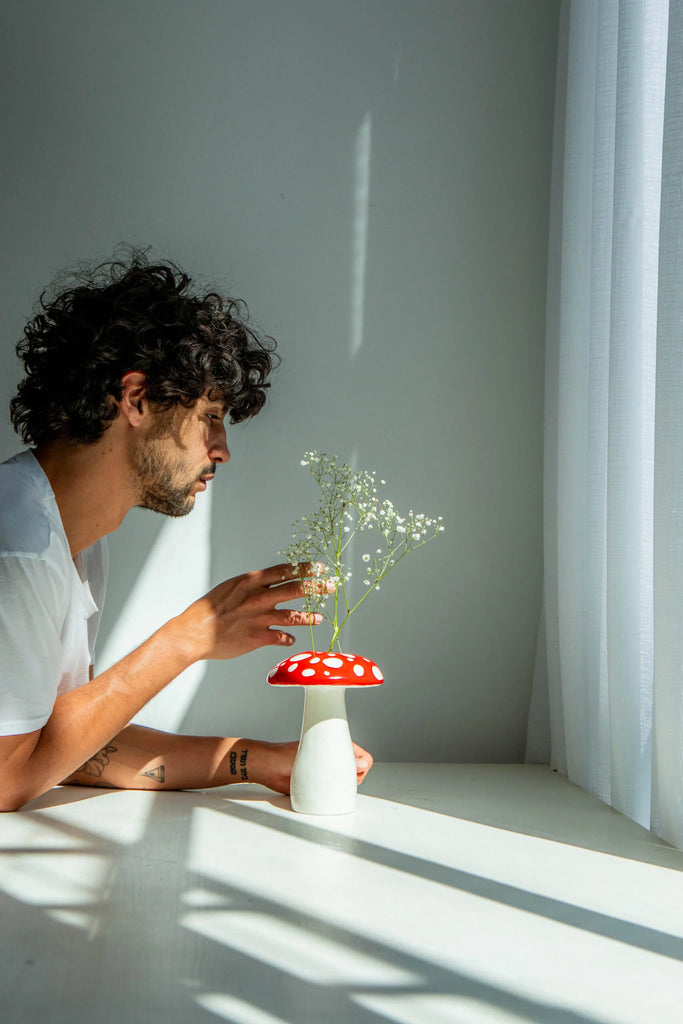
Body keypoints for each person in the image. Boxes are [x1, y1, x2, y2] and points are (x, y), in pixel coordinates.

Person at [0, 249, 373, 811]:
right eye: (211, 417)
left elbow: (59, 745)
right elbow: (8, 777)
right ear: (136, 399)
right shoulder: (21, 547)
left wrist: (258, 760)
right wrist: (187, 637)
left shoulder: (72, 540)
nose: (222, 450)